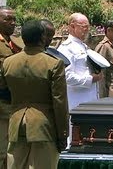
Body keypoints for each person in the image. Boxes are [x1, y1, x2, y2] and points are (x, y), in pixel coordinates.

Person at [1, 20, 68, 169]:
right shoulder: (54, 64)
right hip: (44, 126)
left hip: (16, 124)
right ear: (43, 37)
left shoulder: (8, 62)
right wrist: (63, 134)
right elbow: (60, 102)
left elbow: (3, 91)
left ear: (22, 38)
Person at [57, 13, 102, 149]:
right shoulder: (67, 48)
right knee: (76, 137)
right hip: (76, 100)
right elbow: (66, 76)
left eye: (88, 27)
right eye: (83, 26)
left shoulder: (83, 46)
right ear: (72, 26)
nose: (86, 30)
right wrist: (90, 79)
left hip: (89, 99)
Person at [0, 6, 23, 169]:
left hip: (16, 102)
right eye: (7, 19)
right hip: (1, 103)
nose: (12, 22)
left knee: (13, 150)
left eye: (14, 19)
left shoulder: (17, 41)